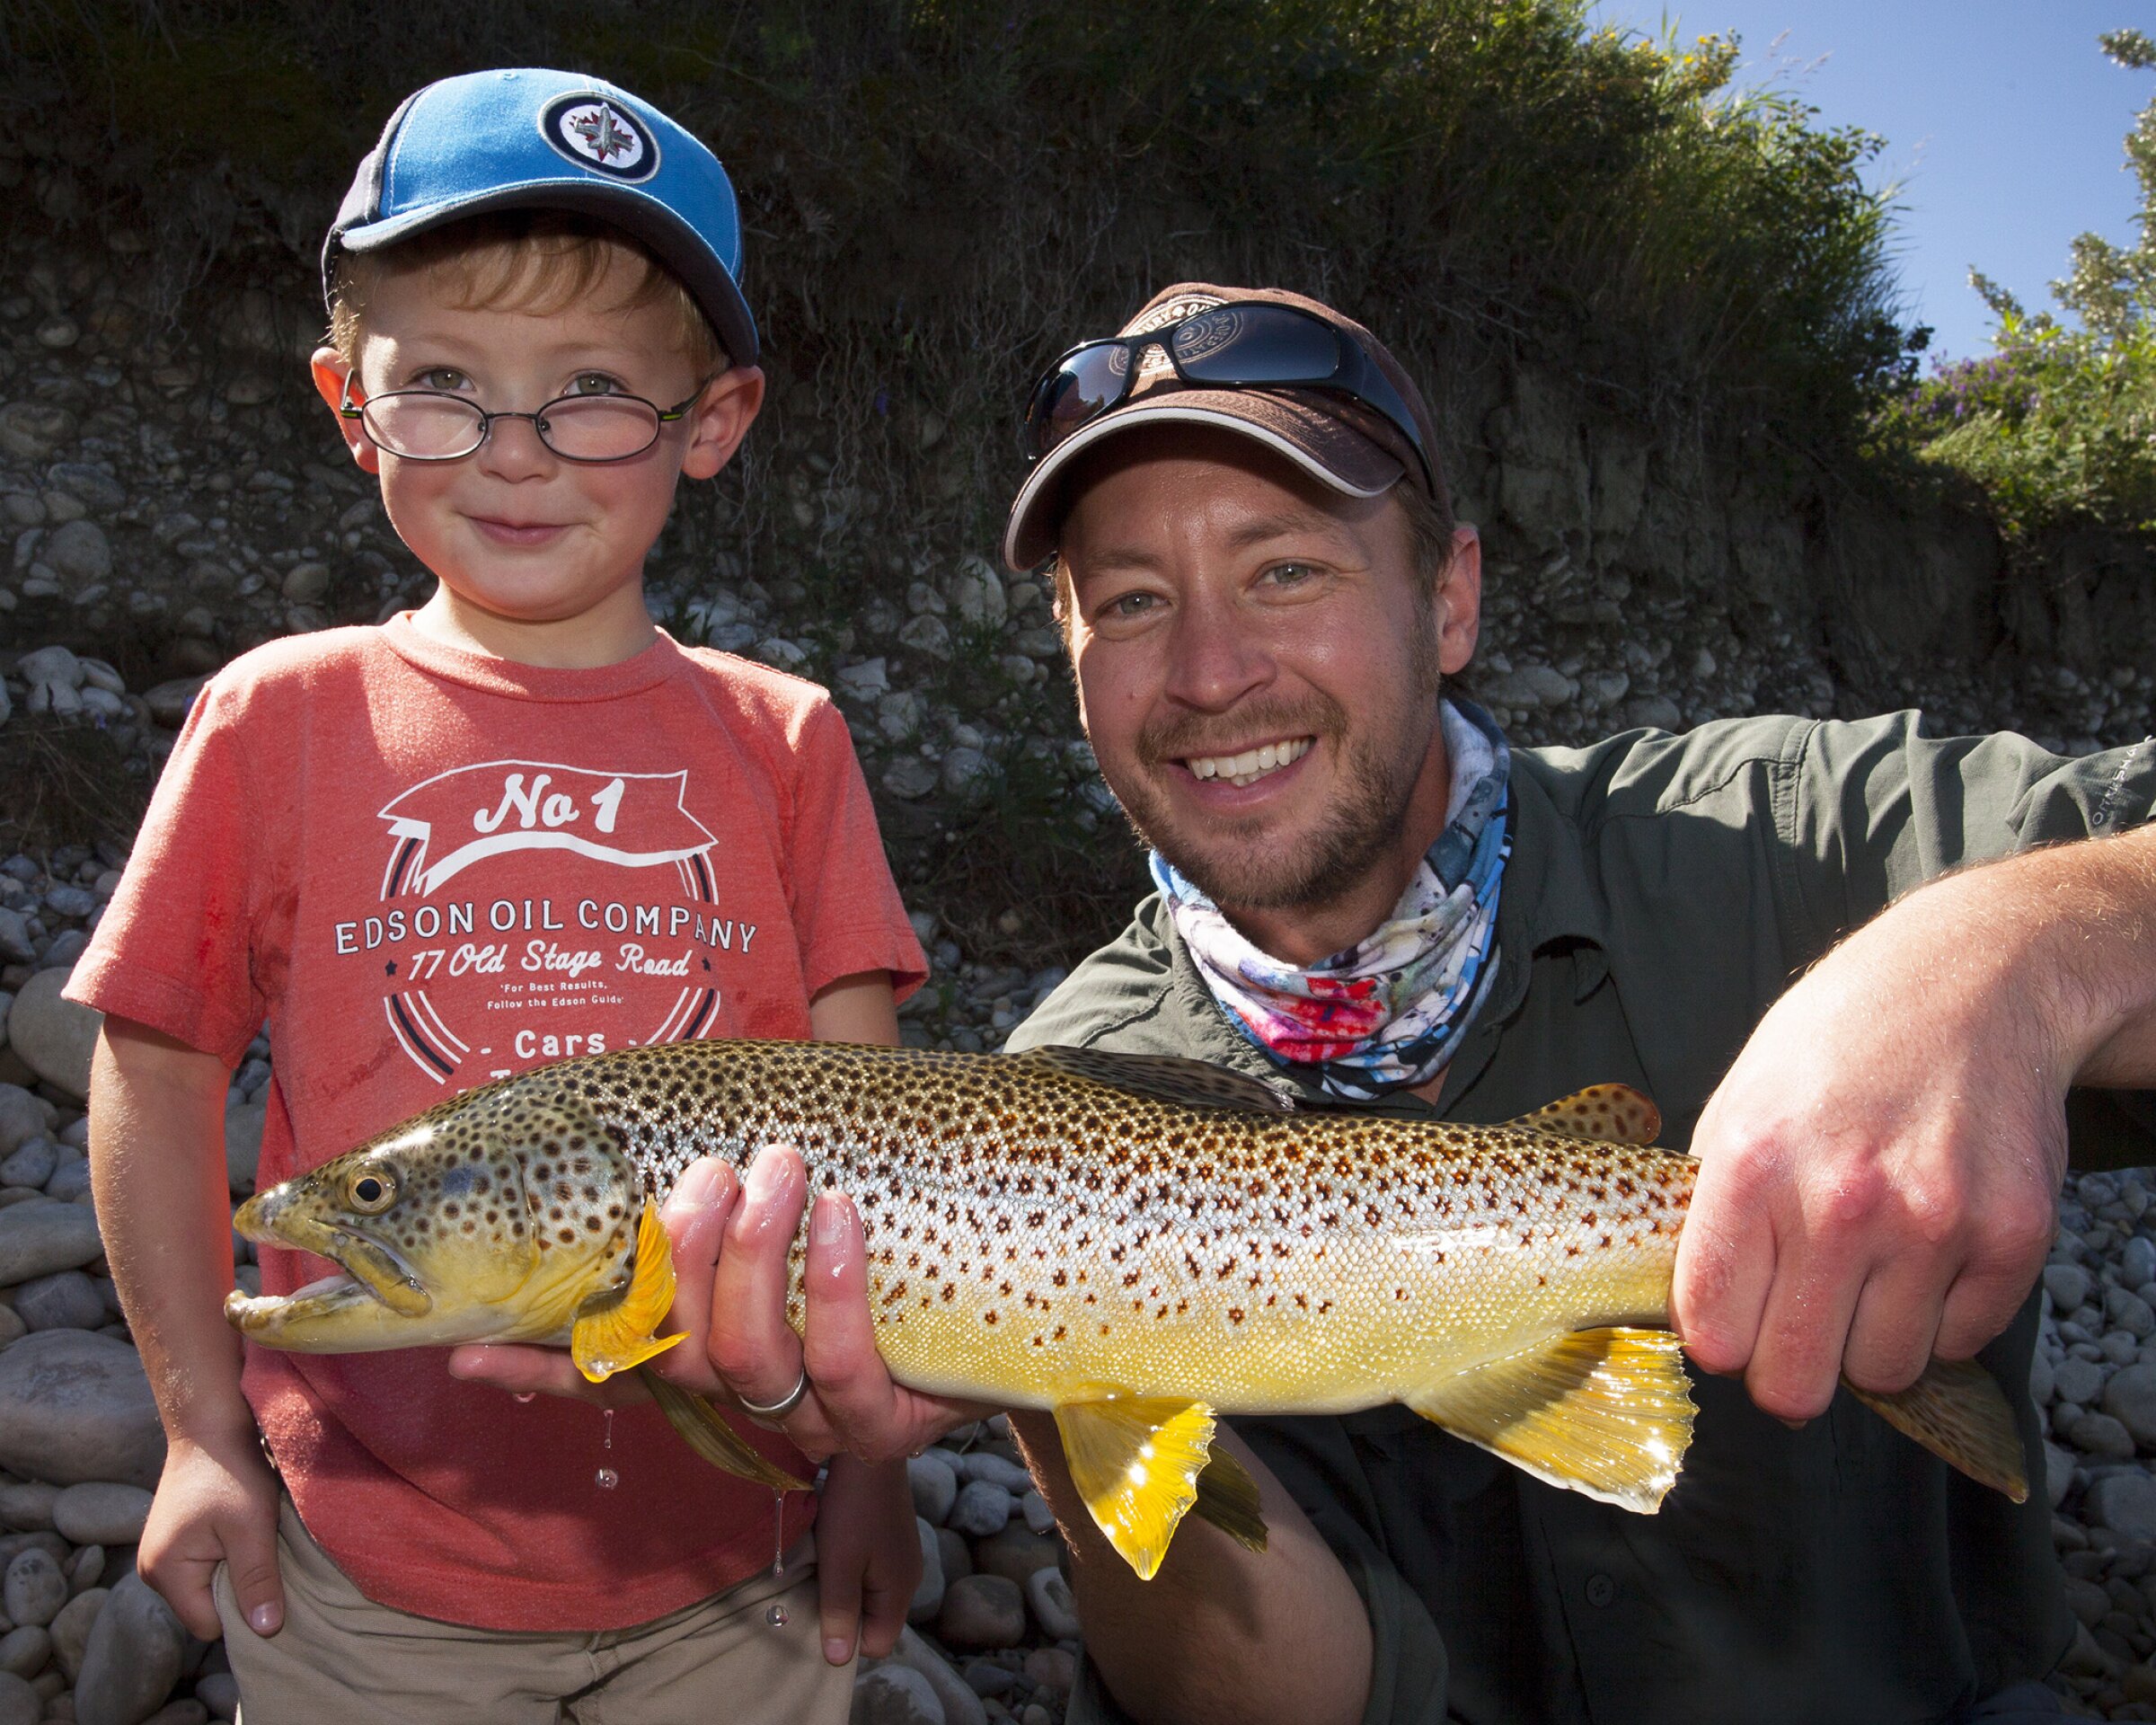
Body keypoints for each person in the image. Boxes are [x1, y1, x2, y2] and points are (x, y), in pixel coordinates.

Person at [463, 282, 2156, 1722]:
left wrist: (2011, 954)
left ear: (1454, 597)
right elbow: (1295, 1693)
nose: (1209, 671)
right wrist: (1038, 1375)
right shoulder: (1065, 1090)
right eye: (1130, 602)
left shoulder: (1801, 831)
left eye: (1285, 570)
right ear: (1071, 670)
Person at [70, 69, 926, 1723]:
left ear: (715, 419)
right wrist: (196, 1432)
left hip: (744, 1562)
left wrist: (871, 1466)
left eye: (596, 390)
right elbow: (154, 1071)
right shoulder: (275, 716)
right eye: (446, 385)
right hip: (358, 1575)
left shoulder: (789, 737)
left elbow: (866, 1142)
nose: (518, 453)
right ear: (349, 403)